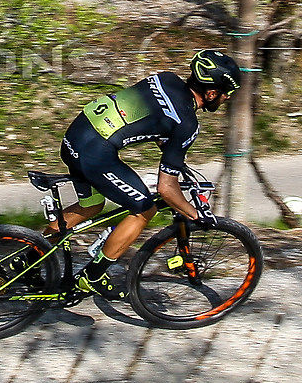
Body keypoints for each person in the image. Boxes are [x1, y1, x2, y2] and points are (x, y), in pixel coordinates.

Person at [49, 48, 239, 299]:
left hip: (76, 134)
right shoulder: (188, 124)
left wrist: (175, 158)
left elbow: (153, 120)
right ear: (212, 92)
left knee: (92, 204)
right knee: (144, 208)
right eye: (226, 94)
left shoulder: (166, 78)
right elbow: (166, 189)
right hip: (95, 151)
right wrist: (196, 216)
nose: (225, 99)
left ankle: (28, 256)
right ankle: (93, 276)